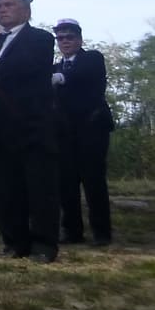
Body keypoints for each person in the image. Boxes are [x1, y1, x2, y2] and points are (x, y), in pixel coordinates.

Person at [0, 0, 59, 263]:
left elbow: (32, 65)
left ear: (26, 10)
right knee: (7, 189)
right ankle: (14, 242)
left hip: (32, 127)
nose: (3, 10)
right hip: (1, 128)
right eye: (0, 6)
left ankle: (44, 245)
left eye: (10, 5)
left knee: (39, 189)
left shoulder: (41, 39)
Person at [52, 18, 113, 246]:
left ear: (79, 39)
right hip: (65, 132)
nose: (65, 41)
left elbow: (85, 75)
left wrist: (62, 78)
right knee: (66, 183)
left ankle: (102, 232)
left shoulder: (92, 58)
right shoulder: (55, 66)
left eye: (69, 37)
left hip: (92, 128)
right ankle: (72, 230)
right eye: (60, 38)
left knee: (93, 181)